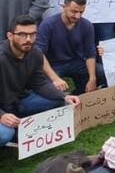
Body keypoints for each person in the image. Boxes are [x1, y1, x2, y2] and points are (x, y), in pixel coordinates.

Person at [0, 15, 81, 147]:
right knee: (5, 134)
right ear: (10, 36)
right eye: (22, 35)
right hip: (2, 108)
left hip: (19, 101)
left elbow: (40, 83)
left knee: (60, 101)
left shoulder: (35, 53)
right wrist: (2, 116)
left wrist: (64, 96)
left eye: (33, 34)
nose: (28, 40)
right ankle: (11, 134)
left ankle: (22, 128)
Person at [36, 0, 105, 95]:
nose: (77, 16)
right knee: (47, 86)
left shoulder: (87, 25)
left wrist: (92, 79)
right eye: (74, 11)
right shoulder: (48, 24)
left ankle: (80, 94)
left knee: (102, 72)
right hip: (54, 64)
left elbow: (90, 53)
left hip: (77, 62)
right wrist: (55, 78)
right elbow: (39, 53)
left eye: (81, 12)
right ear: (64, 7)